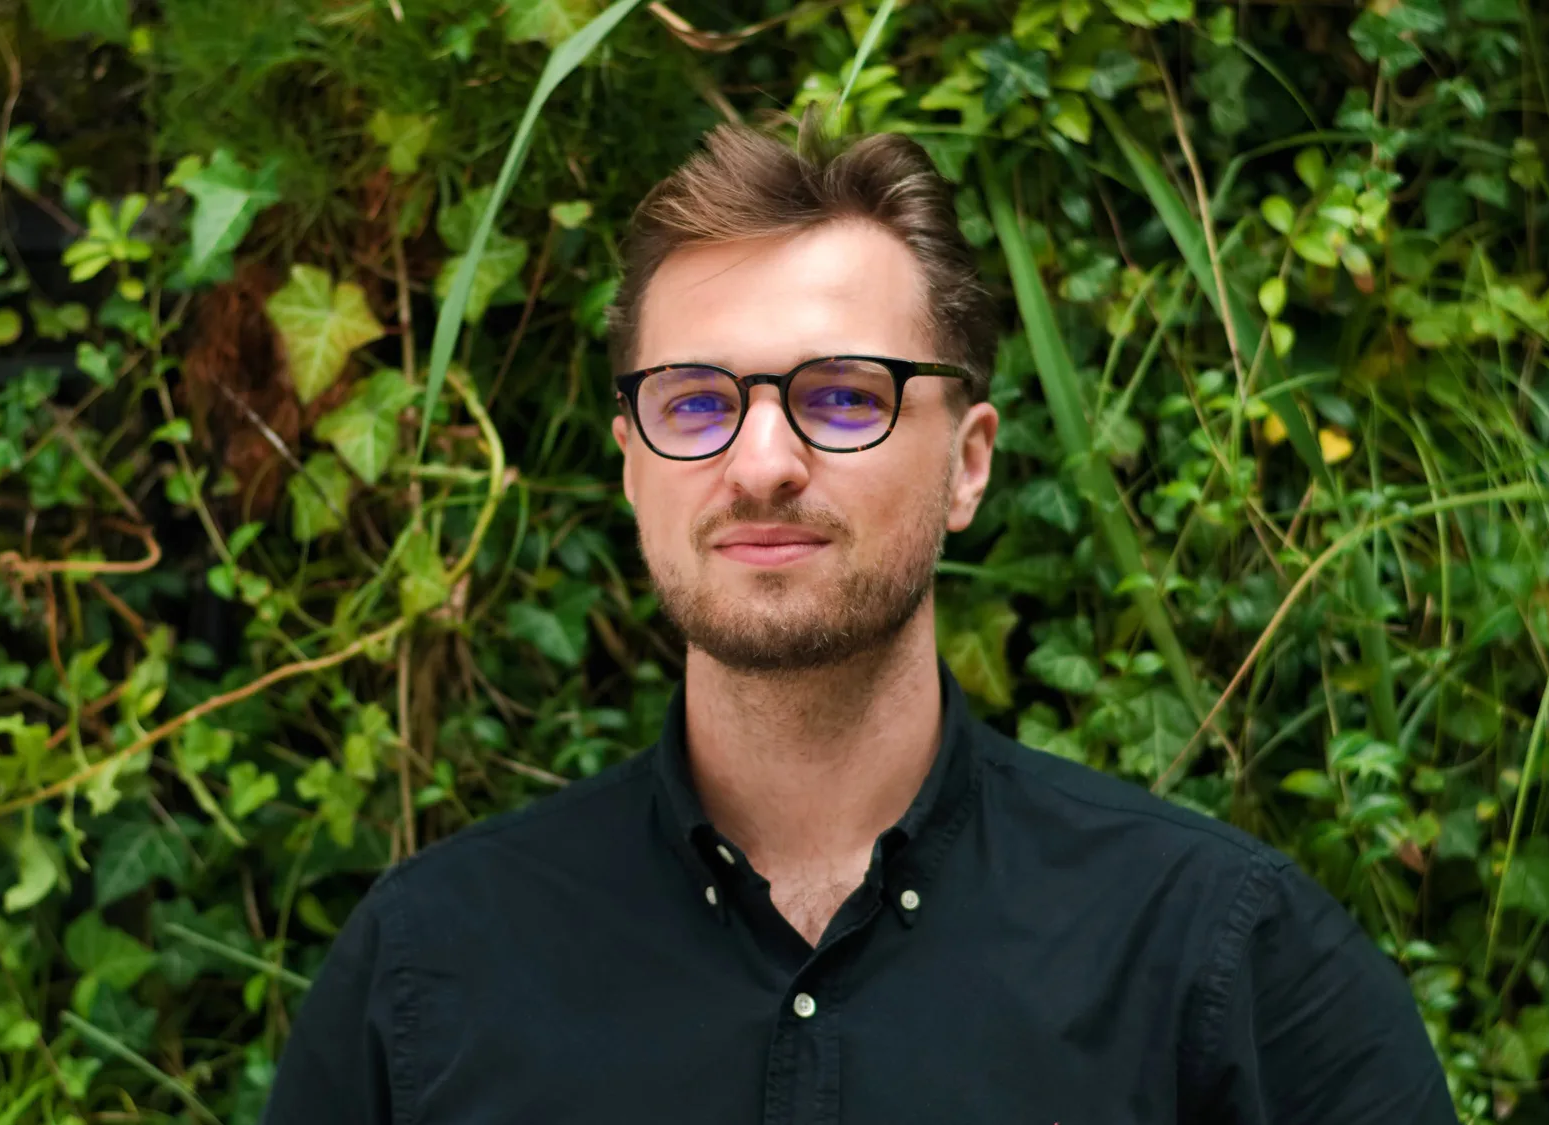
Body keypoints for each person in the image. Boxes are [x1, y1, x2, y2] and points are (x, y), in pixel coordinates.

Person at [259, 120, 1458, 1124]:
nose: (761, 463)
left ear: (968, 464)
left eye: (840, 397)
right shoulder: (429, 968)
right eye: (695, 403)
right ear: (630, 465)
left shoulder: (1220, 961)